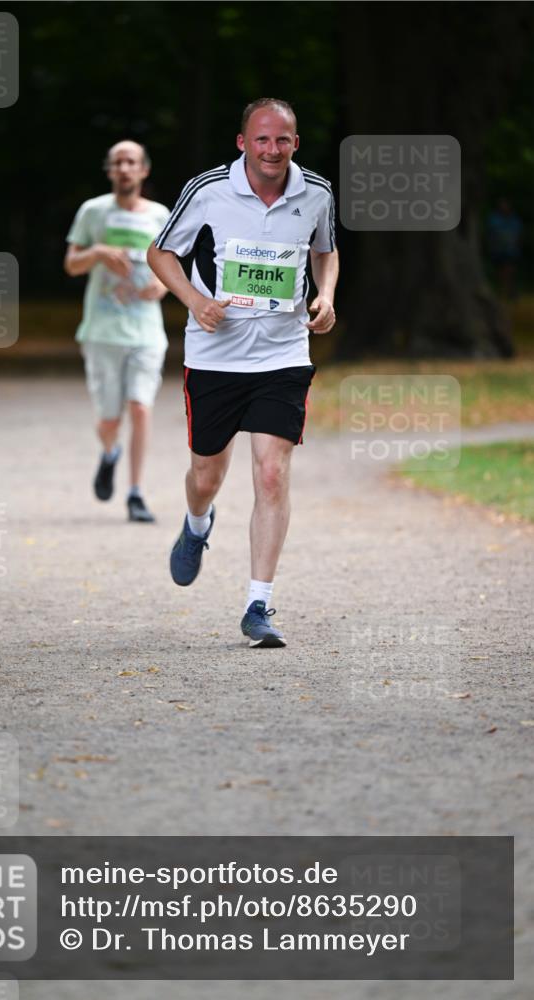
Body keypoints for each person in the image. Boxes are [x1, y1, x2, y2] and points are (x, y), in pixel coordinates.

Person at [147, 98, 338, 647]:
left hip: (283, 353)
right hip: (215, 355)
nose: (272, 150)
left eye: (282, 140)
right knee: (207, 473)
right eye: (262, 140)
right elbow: (160, 255)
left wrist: (325, 295)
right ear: (242, 143)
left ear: (295, 144)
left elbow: (326, 251)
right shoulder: (208, 188)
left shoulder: (317, 192)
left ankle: (259, 604)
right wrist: (193, 300)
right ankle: (197, 522)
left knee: (272, 473)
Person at [64, 140, 169, 522]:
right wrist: (97, 253)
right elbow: (72, 264)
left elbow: (176, 265)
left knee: (141, 408)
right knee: (110, 419)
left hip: (146, 331)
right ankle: (110, 453)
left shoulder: (161, 215)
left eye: (132, 162)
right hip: (103, 330)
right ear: (110, 170)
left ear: (144, 170)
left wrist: (166, 285)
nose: (125, 168)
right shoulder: (93, 211)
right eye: (118, 162)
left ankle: (136, 493)